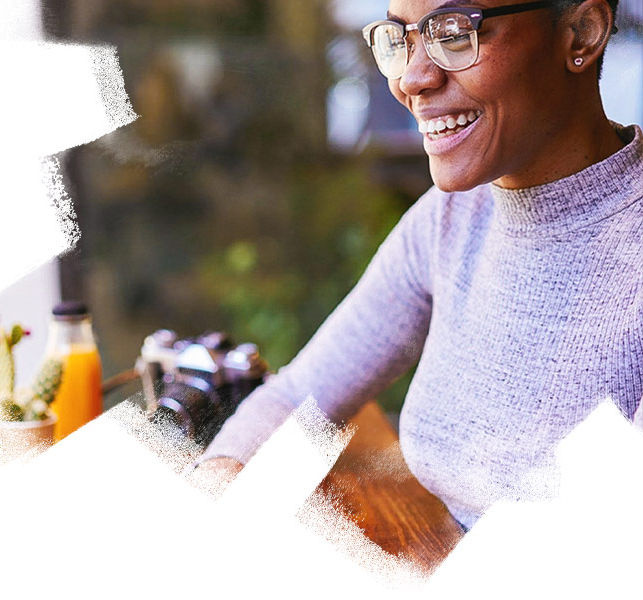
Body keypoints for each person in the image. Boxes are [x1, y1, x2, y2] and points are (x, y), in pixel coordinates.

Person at [194, 0, 642, 530]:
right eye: (399, 38)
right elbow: (297, 398)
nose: (412, 78)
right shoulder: (451, 219)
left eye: (454, 32)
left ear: (581, 33)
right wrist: (213, 495)